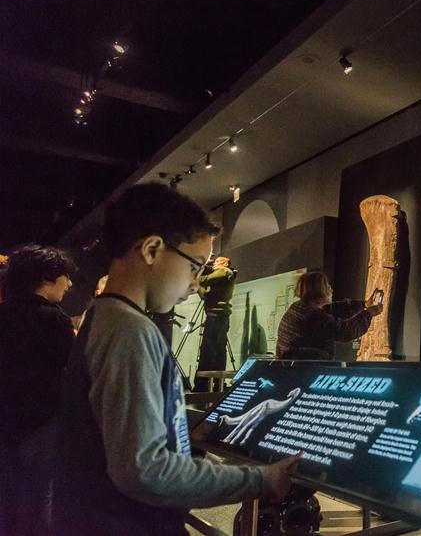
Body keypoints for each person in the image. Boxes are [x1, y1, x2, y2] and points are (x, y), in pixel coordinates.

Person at [52, 183, 300, 536]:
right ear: (152, 249)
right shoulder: (129, 331)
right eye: (195, 266)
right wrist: (262, 478)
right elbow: (146, 471)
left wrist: (183, 424)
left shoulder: (103, 317)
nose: (196, 284)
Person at [0, 244, 77, 535]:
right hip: (42, 421)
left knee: (6, 491)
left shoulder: (3, 314)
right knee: (38, 494)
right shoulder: (54, 319)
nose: (69, 284)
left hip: (5, 418)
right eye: (65, 277)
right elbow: (72, 370)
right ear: (47, 277)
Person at [276, 271, 381, 360]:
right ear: (319, 290)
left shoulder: (300, 307)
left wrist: (364, 304)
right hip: (304, 372)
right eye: (327, 286)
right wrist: (369, 313)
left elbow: (334, 310)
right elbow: (347, 331)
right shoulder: (313, 315)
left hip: (292, 368)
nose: (331, 289)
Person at [194, 256, 237, 391]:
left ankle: (202, 385)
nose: (214, 264)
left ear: (226, 263)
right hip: (218, 315)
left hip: (216, 316)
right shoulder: (223, 275)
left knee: (209, 350)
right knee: (217, 349)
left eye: (218, 261)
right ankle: (215, 383)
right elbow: (205, 294)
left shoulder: (224, 271)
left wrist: (195, 277)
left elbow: (204, 281)